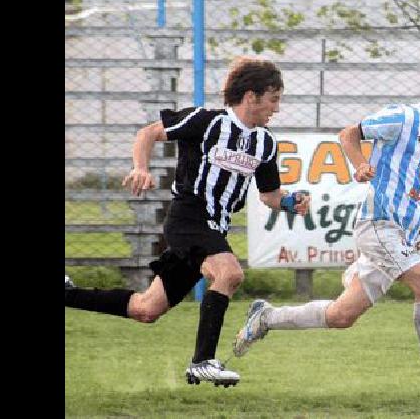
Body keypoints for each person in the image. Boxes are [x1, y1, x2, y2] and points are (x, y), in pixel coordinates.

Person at [232, 60, 420, 401]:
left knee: (341, 315)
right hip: (379, 224)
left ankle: (267, 317)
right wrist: (360, 163)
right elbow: (348, 134)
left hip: (400, 234)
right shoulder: (403, 118)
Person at [64, 57, 311, 387]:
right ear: (251, 96)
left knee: (146, 309)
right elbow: (149, 132)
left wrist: (293, 202)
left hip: (213, 228)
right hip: (188, 219)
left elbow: (270, 195)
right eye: (274, 99)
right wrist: (141, 167)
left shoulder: (265, 142)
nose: (277, 108)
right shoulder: (207, 121)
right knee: (230, 272)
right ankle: (202, 361)